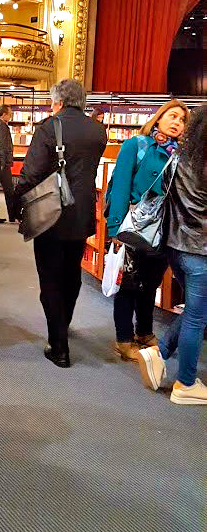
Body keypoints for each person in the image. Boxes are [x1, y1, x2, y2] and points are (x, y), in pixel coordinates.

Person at [15, 79, 107, 368]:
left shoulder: (48, 128)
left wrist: (16, 201)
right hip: (82, 213)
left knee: (50, 278)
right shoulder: (97, 130)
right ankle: (63, 325)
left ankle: (59, 346)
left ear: (57, 101)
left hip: (51, 212)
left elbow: (31, 174)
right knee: (71, 274)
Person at [105, 99, 189, 361]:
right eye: (172, 116)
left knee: (150, 284)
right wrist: (115, 228)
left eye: (182, 120)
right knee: (130, 284)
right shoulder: (137, 145)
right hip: (135, 227)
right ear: (159, 117)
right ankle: (123, 338)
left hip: (164, 230)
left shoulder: (183, 155)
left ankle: (144, 332)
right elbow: (120, 185)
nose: (177, 122)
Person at [138, 104, 206, 404]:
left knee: (197, 312)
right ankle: (186, 384)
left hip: (176, 247)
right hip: (202, 251)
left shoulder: (179, 157)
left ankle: (160, 351)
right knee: (195, 318)